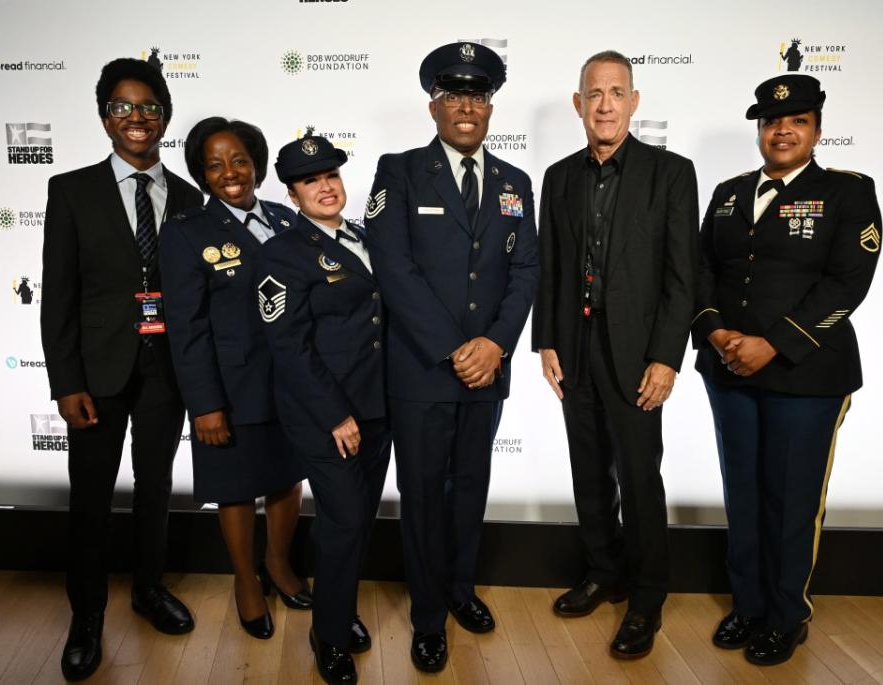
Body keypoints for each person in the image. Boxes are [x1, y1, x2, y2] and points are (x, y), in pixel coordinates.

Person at [692, 73, 881, 666]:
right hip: (729, 372)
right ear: (760, 129)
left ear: (817, 130)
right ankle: (747, 605)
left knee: (791, 500)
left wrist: (772, 344)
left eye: (797, 121)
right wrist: (717, 332)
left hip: (807, 376)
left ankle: (785, 614)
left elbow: (848, 281)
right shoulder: (728, 192)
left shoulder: (849, 192)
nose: (782, 130)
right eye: (773, 121)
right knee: (743, 495)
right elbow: (700, 271)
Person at [365, 42, 538, 673]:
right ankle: (428, 616)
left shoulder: (515, 183)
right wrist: (454, 346)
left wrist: (493, 344)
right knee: (423, 497)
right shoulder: (401, 171)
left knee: (470, 490)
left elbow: (525, 271)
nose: (467, 105)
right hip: (422, 372)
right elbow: (394, 268)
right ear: (434, 105)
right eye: (454, 94)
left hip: (487, 371)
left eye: (479, 95)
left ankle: (461, 591)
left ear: (490, 106)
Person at [531, 50, 699, 659]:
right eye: (593, 93)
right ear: (579, 104)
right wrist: (546, 339)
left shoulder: (671, 173)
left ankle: (647, 597)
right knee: (588, 469)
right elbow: (550, 264)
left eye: (616, 92)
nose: (605, 104)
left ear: (634, 100)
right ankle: (605, 572)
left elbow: (683, 277)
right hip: (573, 349)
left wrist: (666, 357)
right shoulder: (557, 177)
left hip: (637, 355)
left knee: (639, 475)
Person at [40, 58, 203, 681]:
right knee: (90, 500)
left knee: (155, 490)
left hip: (167, 371)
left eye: (149, 107)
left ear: (165, 114)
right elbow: (58, 295)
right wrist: (66, 381)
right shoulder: (70, 190)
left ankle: (148, 589)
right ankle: (87, 618)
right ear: (104, 114)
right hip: (96, 376)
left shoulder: (190, 198)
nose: (137, 119)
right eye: (123, 107)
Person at [159, 117, 311, 641]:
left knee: (288, 478)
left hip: (293, 385)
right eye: (216, 164)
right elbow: (186, 327)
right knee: (238, 490)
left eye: (240, 160)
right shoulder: (185, 233)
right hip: (229, 389)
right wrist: (204, 405)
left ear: (257, 164)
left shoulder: (289, 221)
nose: (231, 172)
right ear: (202, 173)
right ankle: (246, 580)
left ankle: (278, 564)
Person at [258, 133, 391, 684]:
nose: (326, 188)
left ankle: (341, 610)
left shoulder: (361, 236)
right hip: (328, 414)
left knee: (356, 519)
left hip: (376, 405)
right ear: (292, 195)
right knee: (341, 520)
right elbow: (288, 345)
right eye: (311, 182)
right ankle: (328, 635)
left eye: (331, 176)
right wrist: (335, 415)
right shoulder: (280, 254)